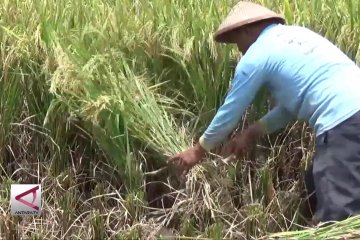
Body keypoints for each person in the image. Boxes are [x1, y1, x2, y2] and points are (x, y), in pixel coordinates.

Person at [169, 1, 360, 224]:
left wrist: (198, 150)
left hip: (343, 122)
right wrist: (250, 134)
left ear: (247, 30)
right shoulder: (298, 36)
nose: (239, 50)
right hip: (352, 117)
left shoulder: (257, 55)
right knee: (315, 185)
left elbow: (230, 111)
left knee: (339, 213)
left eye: (236, 41)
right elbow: (291, 109)